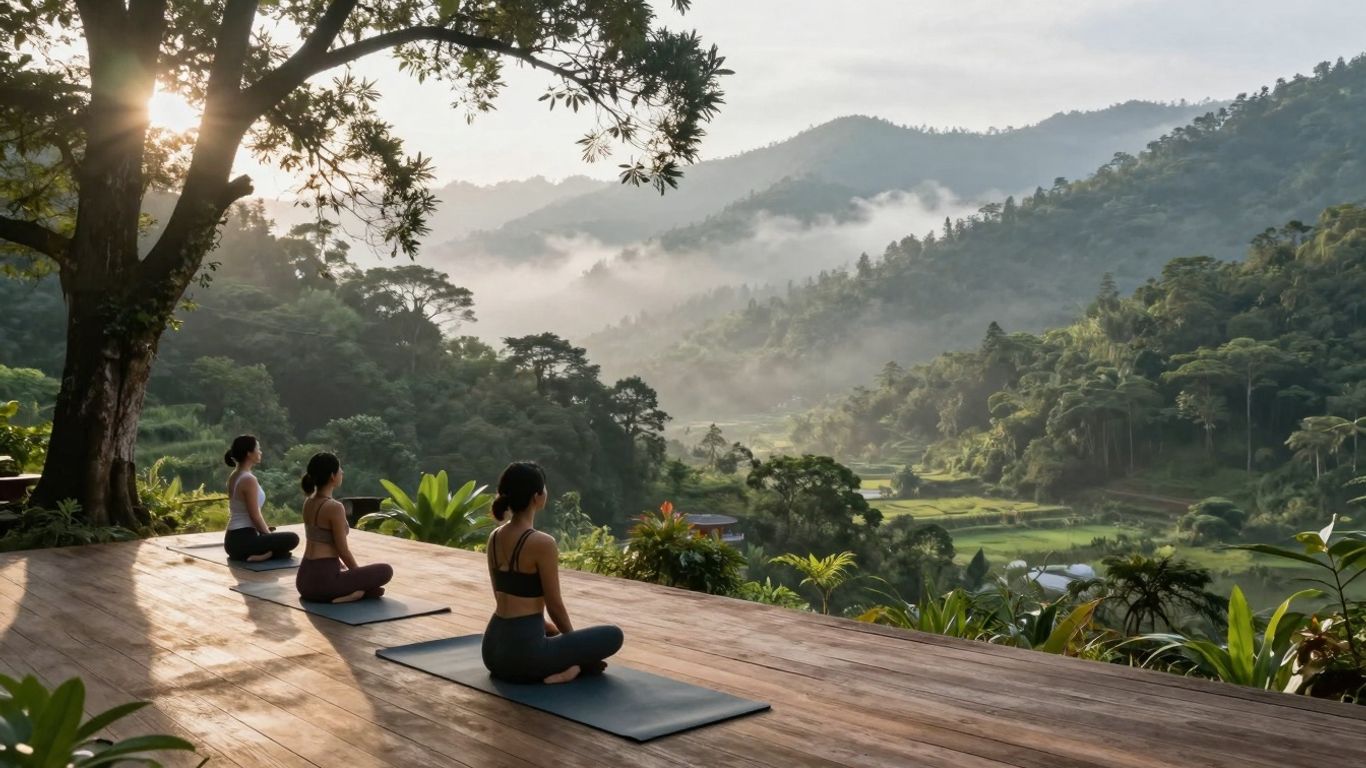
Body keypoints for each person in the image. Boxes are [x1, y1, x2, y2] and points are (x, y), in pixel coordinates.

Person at [482, 461, 623, 684]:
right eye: (545, 488)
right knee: (613, 635)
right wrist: (576, 648)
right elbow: (554, 605)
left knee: (552, 632)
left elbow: (502, 598)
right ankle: (572, 667)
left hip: (492, 652)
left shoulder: (495, 537)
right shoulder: (542, 543)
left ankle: (569, 666)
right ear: (537, 496)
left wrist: (551, 631)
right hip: (525, 657)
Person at [295, 452, 393, 603]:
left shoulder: (308, 502)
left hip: (304, 582)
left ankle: (356, 592)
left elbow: (322, 541)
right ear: (332, 476)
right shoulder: (334, 507)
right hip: (325, 582)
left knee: (367, 584)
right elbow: (343, 550)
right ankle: (355, 592)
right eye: (340, 468)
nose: (342, 472)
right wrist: (359, 577)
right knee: (386, 570)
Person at [223, 435, 299, 562]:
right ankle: (267, 554)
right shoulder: (248, 479)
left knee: (280, 543)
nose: (260, 452)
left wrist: (265, 533)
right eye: (258, 448)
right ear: (249, 453)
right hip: (243, 541)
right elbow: (255, 515)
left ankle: (268, 553)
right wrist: (268, 537)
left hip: (233, 541)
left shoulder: (234, 475)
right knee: (293, 538)